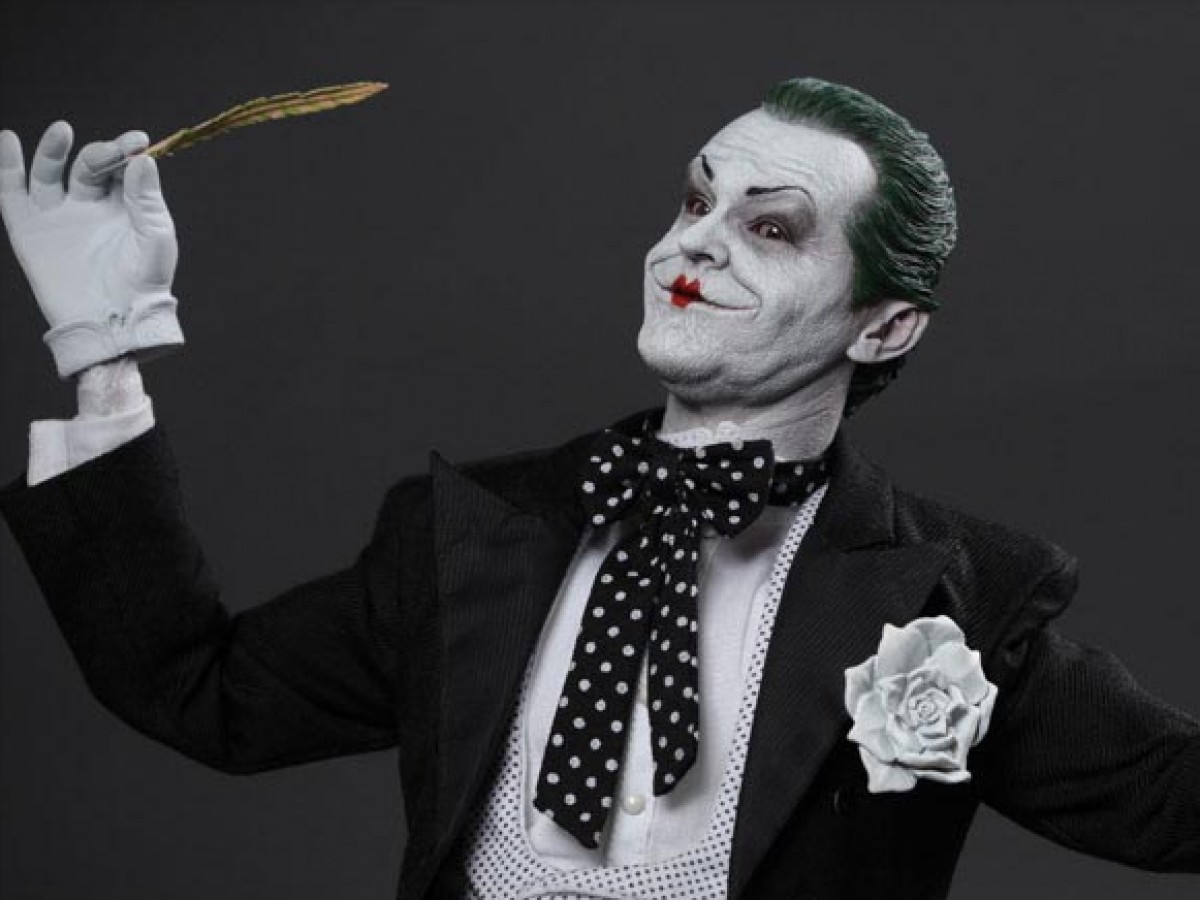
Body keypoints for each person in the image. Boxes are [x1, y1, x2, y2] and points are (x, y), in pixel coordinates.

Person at [0, 77, 1197, 900]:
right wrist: (102, 347)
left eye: (771, 229)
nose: (695, 242)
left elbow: (1172, 803)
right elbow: (198, 691)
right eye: (696, 200)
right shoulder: (465, 534)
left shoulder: (953, 599)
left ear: (883, 326)